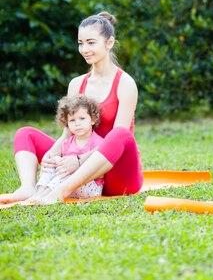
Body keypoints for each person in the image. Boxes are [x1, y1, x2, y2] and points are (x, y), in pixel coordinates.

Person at [0, 12, 142, 205]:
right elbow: (67, 135)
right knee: (25, 134)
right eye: (80, 43)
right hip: (81, 170)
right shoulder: (76, 84)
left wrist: (78, 161)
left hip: (117, 175)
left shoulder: (125, 83)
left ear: (109, 43)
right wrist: (52, 154)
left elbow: (119, 141)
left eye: (91, 42)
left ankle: (59, 191)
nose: (84, 49)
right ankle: (28, 188)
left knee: (120, 135)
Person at [29, 95, 105, 201]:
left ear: (92, 120)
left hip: (90, 188)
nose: (77, 123)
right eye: (72, 120)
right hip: (68, 189)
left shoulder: (98, 143)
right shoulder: (67, 144)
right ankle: (41, 191)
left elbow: (100, 171)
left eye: (82, 118)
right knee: (55, 160)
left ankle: (48, 194)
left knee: (68, 170)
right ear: (67, 124)